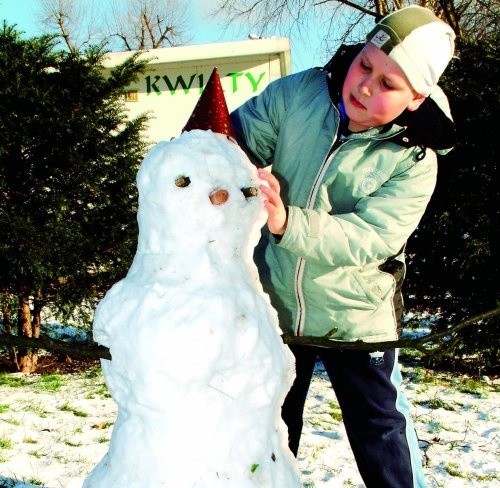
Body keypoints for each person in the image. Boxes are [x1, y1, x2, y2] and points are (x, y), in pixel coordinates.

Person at [230, 5, 456, 488]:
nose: (366, 86)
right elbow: (235, 142)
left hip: (354, 314)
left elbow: (370, 237)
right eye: (366, 65)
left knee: (379, 429)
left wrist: (287, 221)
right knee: (269, 427)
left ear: (416, 98)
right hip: (276, 305)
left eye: (389, 85)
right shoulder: (299, 94)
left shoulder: (415, 161)